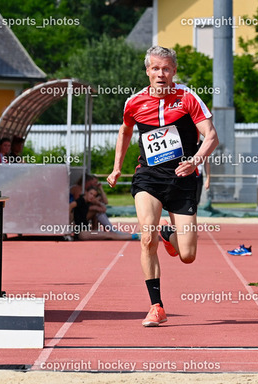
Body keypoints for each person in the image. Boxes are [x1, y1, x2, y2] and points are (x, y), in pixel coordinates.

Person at [107, 46, 219, 327]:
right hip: (149, 178)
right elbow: (125, 130)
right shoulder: (134, 102)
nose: (161, 74)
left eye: (166, 69)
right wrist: (117, 166)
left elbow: (212, 137)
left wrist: (195, 161)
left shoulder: (187, 98)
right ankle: (156, 306)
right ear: (147, 71)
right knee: (147, 238)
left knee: (188, 255)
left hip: (183, 178)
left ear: (174, 71)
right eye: (155, 68)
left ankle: (168, 234)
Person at [70, 186, 138, 241]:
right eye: (91, 193)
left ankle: (132, 236)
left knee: (108, 234)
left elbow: (103, 209)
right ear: (86, 192)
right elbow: (70, 206)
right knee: (109, 235)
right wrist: (68, 224)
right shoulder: (81, 200)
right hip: (82, 233)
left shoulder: (87, 202)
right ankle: (134, 236)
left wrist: (97, 202)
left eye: (94, 195)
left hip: (86, 231)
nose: (92, 196)